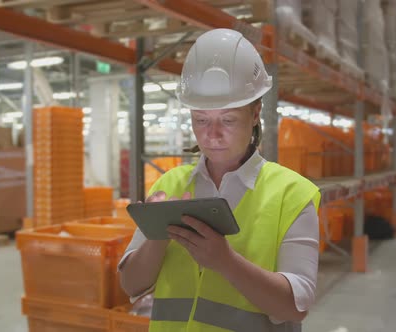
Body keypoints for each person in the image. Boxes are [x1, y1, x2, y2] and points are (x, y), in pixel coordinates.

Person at [119, 28, 320, 332]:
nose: (211, 135)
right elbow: (130, 284)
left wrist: (225, 261)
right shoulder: (169, 185)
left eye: (228, 120)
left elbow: (295, 307)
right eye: (201, 120)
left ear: (255, 114)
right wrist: (157, 237)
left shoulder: (292, 195)